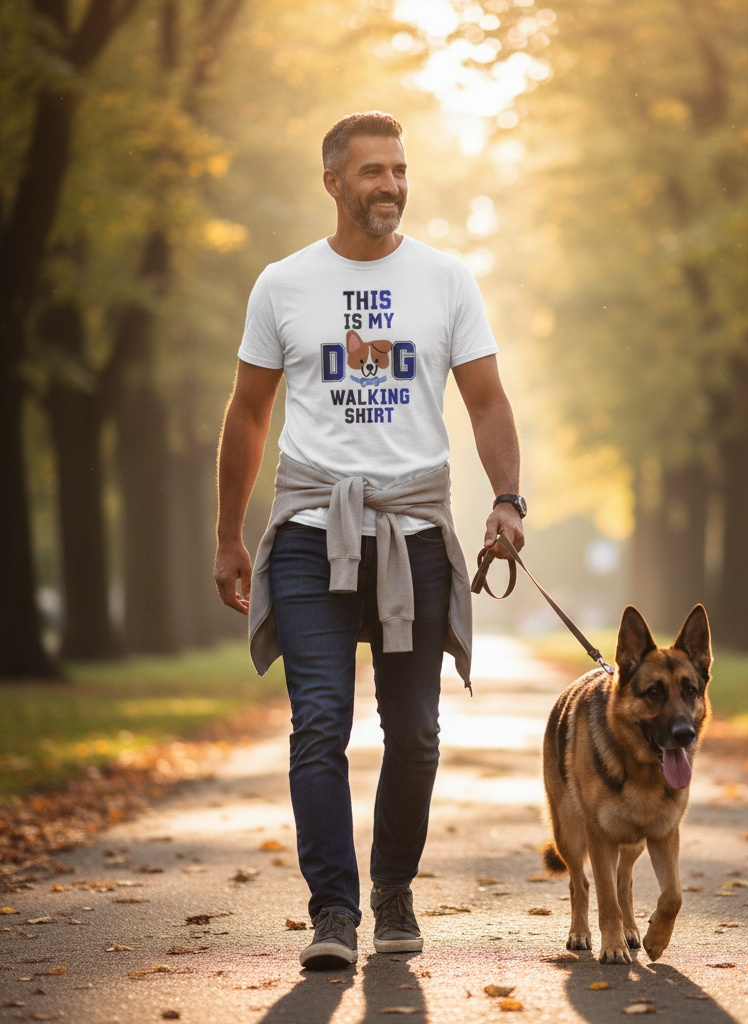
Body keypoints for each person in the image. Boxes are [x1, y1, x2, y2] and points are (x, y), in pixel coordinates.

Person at [213, 111, 525, 970]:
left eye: (398, 170)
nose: (389, 185)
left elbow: (488, 402)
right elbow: (247, 412)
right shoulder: (282, 284)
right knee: (319, 724)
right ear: (333, 183)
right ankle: (333, 913)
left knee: (416, 731)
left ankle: (391, 887)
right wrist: (228, 535)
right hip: (314, 531)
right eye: (371, 172)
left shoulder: (447, 279)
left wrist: (507, 499)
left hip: (415, 534)